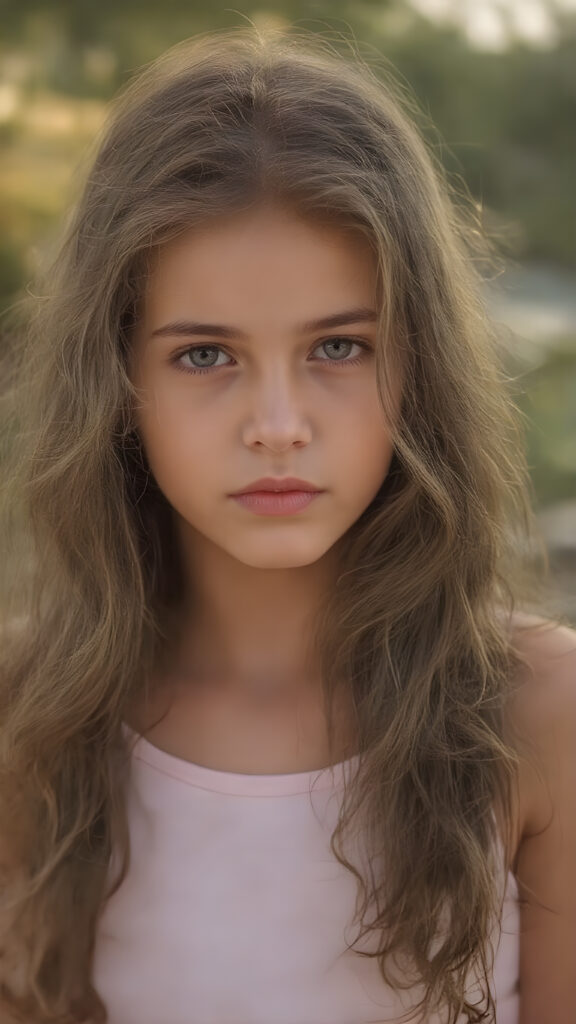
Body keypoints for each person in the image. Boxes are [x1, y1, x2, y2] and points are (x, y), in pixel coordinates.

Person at [0, 24, 574, 1024]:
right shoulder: (26, 718)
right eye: (206, 356)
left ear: (419, 364)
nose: (278, 426)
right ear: (118, 381)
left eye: (339, 346)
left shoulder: (537, 717)